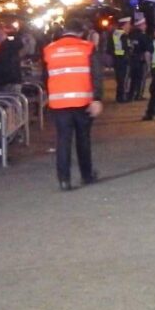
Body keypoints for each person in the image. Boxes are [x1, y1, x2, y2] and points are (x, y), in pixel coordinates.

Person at [43, 16, 102, 191]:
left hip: (59, 103)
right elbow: (96, 75)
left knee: (63, 141)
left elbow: (45, 77)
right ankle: (86, 174)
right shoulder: (87, 48)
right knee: (83, 139)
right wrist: (97, 98)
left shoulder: (49, 50)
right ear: (81, 32)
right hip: (83, 101)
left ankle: (64, 180)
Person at [126, 20, 151, 102]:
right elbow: (146, 51)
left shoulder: (130, 35)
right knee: (141, 79)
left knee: (133, 78)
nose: (145, 26)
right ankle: (138, 95)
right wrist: (148, 64)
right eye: (144, 24)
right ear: (140, 25)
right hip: (141, 60)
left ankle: (130, 95)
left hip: (132, 60)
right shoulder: (143, 36)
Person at [111, 18, 131, 102]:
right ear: (124, 24)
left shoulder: (115, 33)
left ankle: (119, 96)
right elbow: (126, 47)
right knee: (123, 79)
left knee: (119, 79)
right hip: (123, 59)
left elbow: (110, 46)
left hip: (116, 59)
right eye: (128, 24)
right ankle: (122, 97)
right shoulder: (123, 35)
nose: (129, 26)